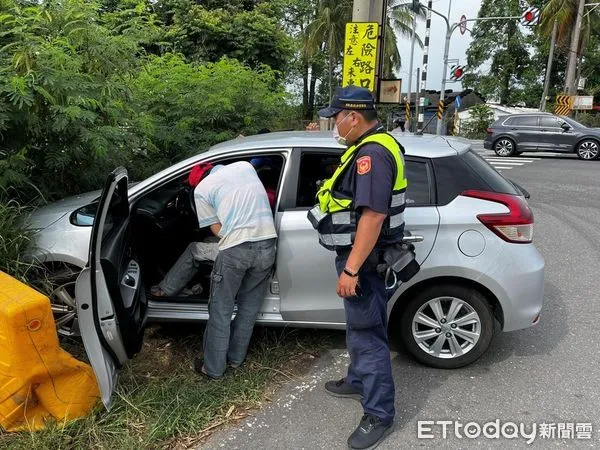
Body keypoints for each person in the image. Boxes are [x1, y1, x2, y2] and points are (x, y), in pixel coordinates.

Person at [307, 86, 407, 450]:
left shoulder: (373, 155)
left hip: (364, 263)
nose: (334, 122)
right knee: (359, 325)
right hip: (364, 259)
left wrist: (350, 270)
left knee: (368, 336)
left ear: (353, 116)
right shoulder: (370, 146)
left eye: (337, 116)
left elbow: (374, 214)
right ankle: (358, 380)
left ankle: (379, 413)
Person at [189, 161, 277, 380]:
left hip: (237, 251)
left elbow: (218, 230)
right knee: (248, 309)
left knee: (221, 310)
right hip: (267, 245)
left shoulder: (201, 190)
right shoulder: (245, 166)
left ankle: (213, 369)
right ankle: (236, 360)